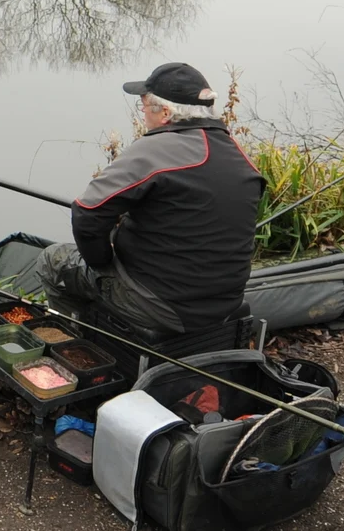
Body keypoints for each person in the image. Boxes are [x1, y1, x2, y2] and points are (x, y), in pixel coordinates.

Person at [38, 62, 265, 350]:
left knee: (53, 260)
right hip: (223, 303)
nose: (142, 112)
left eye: (144, 105)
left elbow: (87, 212)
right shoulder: (240, 157)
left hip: (163, 306)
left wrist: (101, 262)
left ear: (166, 113)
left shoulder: (157, 149)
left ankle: (74, 350)